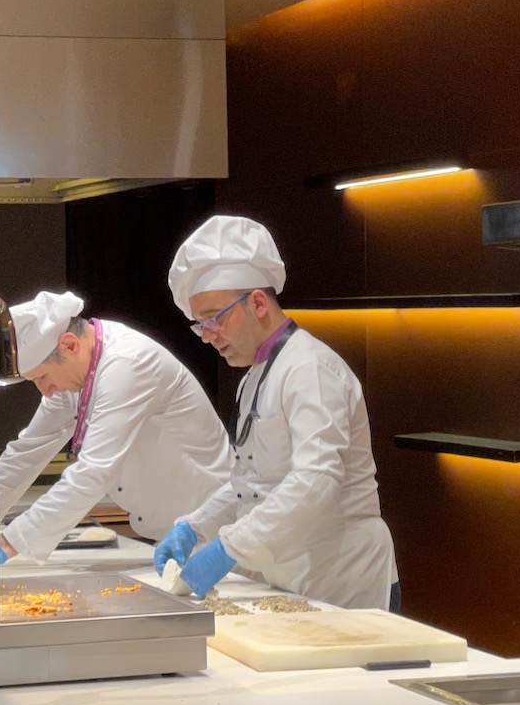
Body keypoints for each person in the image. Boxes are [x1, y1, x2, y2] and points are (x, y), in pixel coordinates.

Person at [156, 216, 399, 611]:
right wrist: (195, 525)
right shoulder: (254, 376)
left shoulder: (311, 369)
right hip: (292, 576)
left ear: (257, 302)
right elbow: (250, 484)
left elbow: (315, 480)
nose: (209, 335)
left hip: (343, 578)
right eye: (200, 325)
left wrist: (228, 548)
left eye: (216, 318)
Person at [0, 291, 231, 564]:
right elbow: (27, 453)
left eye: (42, 377)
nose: (45, 391)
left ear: (69, 345)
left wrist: (7, 544)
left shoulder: (128, 364)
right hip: (173, 533)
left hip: (215, 530)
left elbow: (94, 472)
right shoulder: (76, 374)